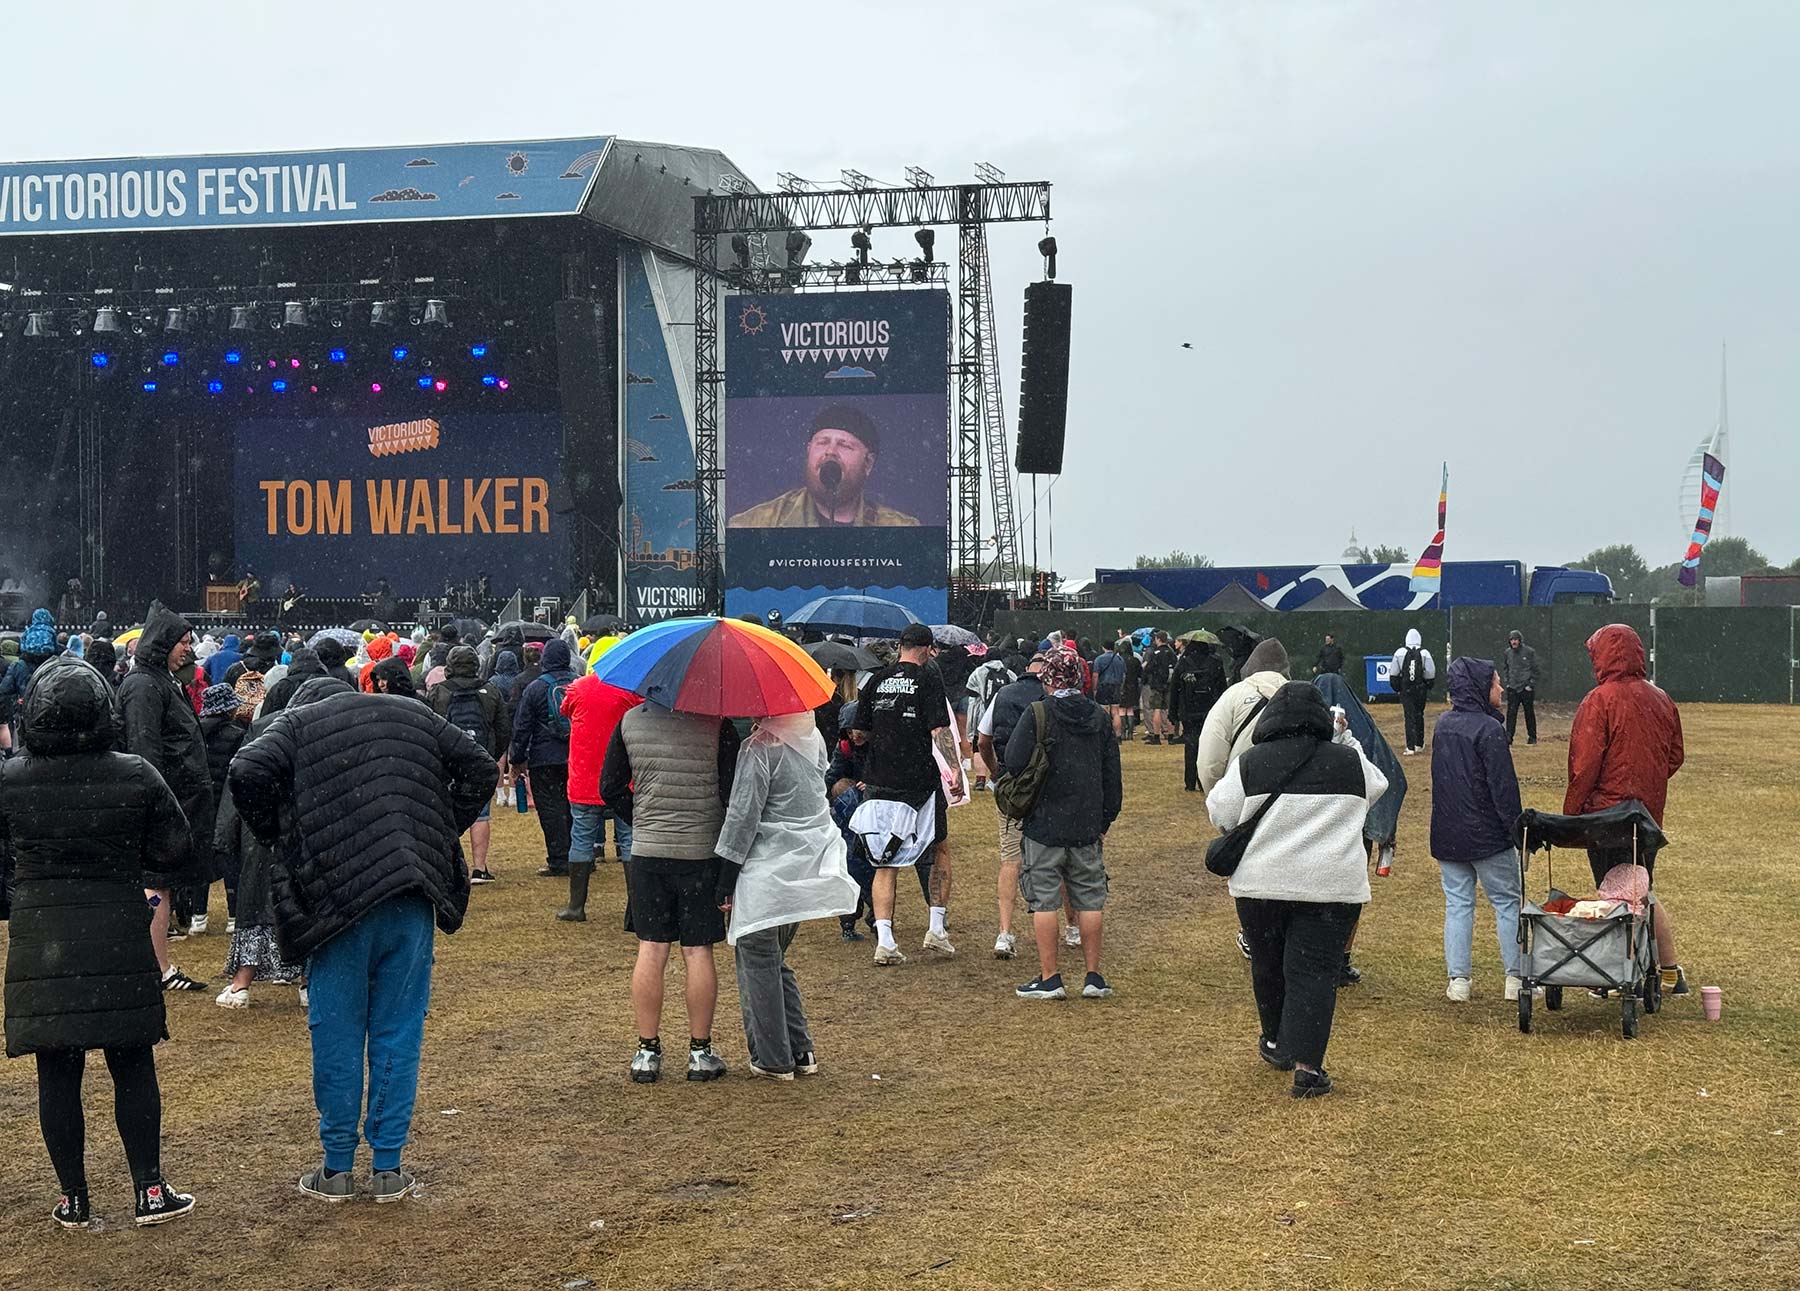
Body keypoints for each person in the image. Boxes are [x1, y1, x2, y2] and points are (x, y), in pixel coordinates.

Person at [229, 671, 496, 1203]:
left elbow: (246, 768)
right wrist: (437, 826)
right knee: (399, 1029)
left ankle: (335, 1168)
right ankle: (389, 1168)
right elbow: (481, 768)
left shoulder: (297, 724)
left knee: (338, 1031)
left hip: (337, 902)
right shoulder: (411, 712)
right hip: (410, 890)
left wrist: (279, 831)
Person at [2, 655, 198, 1228]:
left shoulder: (11, 779)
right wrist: (131, 868)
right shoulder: (133, 772)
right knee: (132, 1061)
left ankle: (74, 1197)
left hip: (41, 933)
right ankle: (150, 1190)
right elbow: (176, 848)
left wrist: (21, 890)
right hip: (116, 923)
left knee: (56, 1072)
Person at [1205, 682, 1387, 1099]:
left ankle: (1274, 1041)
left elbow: (1220, 810)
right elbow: (1377, 788)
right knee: (1315, 973)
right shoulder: (1349, 763)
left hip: (1260, 885)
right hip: (1330, 886)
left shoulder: (1251, 762)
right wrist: (1343, 739)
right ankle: (1308, 1067)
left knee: (1267, 962)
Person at [601, 699, 741, 1083]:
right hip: (701, 852)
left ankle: (647, 1050)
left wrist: (641, 817)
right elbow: (731, 795)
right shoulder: (718, 725)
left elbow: (609, 787)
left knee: (651, 946)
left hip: (648, 851)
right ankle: (700, 1051)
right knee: (698, 950)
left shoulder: (630, 722)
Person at [715, 712, 858, 1079]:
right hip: (803, 867)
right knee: (774, 959)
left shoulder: (761, 748)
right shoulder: (811, 739)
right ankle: (800, 1048)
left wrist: (725, 877)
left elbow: (743, 817)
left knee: (757, 959)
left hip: (765, 870)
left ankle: (773, 1057)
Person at [1564, 624, 1688, 995]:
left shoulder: (1599, 701)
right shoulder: (1662, 698)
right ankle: (1667, 970)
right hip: (1647, 817)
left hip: (1605, 818)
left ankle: (1620, 974)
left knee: (1615, 896)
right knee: (1641, 891)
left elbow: (1584, 766)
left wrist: (1572, 817)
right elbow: (1675, 756)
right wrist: (1647, 783)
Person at [1004, 649, 1123, 1000]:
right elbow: (1112, 775)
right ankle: (1093, 977)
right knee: (1089, 900)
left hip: (1044, 822)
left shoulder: (1039, 712)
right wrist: (1105, 819)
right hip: (1086, 823)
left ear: (1048, 678)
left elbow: (1013, 760)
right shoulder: (1099, 717)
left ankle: (1050, 977)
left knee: (1044, 902)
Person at [847, 622, 964, 965]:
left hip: (879, 780)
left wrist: (883, 736)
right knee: (939, 849)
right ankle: (936, 930)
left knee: (884, 860)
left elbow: (858, 732)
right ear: (928, 650)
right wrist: (954, 772)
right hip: (919, 782)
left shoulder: (877, 680)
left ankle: (885, 941)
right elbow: (940, 730)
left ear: (900, 646)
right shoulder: (929, 678)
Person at [118, 602, 214, 992]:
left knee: (163, 885)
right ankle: (158, 970)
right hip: (163, 802)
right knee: (156, 886)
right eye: (182, 642)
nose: (188, 649)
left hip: (177, 799)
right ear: (162, 644)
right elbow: (145, 750)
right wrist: (156, 802)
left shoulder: (160, 680)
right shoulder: (143, 685)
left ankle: (158, 966)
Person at [1430, 658, 1531, 1003]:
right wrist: (1517, 831)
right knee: (1506, 902)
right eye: (1495, 683)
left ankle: (1459, 981)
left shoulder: (1443, 726)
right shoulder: (1489, 731)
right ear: (1479, 688)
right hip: (1488, 836)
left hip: (1449, 834)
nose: (1501, 689)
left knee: (1458, 904)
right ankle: (1514, 979)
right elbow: (1503, 789)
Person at [727, 404, 921, 528]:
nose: (830, 451)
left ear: (868, 463)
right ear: (809, 451)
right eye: (822, 442)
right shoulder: (755, 524)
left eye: (844, 445)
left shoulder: (900, 528)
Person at [976, 653, 1046, 958]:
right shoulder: (1050, 696)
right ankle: (1071, 928)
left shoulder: (1003, 694)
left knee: (1010, 861)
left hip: (1012, 786)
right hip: (1047, 786)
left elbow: (981, 740)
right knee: (1060, 856)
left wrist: (996, 771)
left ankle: (1004, 933)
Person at [558, 670, 642, 922]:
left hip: (584, 777)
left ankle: (576, 906)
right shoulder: (628, 690)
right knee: (628, 839)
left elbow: (566, 711)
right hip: (621, 778)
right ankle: (636, 908)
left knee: (581, 839)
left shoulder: (578, 688)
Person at [426, 645, 512, 884]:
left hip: (446, 761)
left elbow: (429, 727)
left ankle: (444, 865)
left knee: (442, 812)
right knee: (480, 814)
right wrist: (490, 756)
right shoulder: (491, 691)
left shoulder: (437, 692)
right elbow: (504, 729)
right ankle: (479, 868)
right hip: (479, 758)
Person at [509, 638, 578, 880]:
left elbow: (522, 726)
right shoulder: (580, 685)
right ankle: (580, 856)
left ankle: (559, 859)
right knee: (576, 807)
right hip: (576, 755)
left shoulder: (535, 688)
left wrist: (516, 759)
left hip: (543, 757)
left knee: (551, 809)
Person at [196, 683, 249, 934]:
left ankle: (198, 915)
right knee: (229, 854)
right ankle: (233, 915)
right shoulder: (238, 734)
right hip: (228, 801)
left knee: (200, 856)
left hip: (202, 801)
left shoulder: (195, 732)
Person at [1169, 638, 1229, 793]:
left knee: (1190, 745)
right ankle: (1204, 781)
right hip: (1209, 710)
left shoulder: (1184, 662)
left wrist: (1173, 711)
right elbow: (1222, 688)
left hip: (1188, 710)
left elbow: (1175, 687)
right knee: (1208, 746)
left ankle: (1190, 781)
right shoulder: (1215, 662)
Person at [1391, 628, 1437, 755]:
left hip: (1406, 688)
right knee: (1419, 714)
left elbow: (1393, 673)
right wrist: (1427, 685)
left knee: (1409, 716)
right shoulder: (1425, 653)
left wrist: (1398, 688)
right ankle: (1419, 744)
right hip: (1420, 688)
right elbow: (1430, 672)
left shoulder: (1400, 652)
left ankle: (1410, 747)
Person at [1498, 629, 1539, 746]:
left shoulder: (1529, 652)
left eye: (1515, 639)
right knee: (1511, 713)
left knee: (1529, 713)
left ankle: (1532, 737)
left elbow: (1536, 670)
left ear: (1520, 640)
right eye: (1511, 640)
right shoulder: (1507, 653)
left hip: (1526, 689)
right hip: (1513, 688)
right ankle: (1509, 737)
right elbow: (1506, 668)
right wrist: (1508, 683)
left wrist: (1530, 684)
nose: (1514, 642)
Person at [1139, 630, 1176, 744]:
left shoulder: (1156, 653)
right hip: (1170, 684)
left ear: (1158, 639)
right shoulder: (1171, 653)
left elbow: (1148, 668)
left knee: (1157, 709)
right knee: (1169, 710)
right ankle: (1171, 736)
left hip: (1157, 685)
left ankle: (1156, 736)